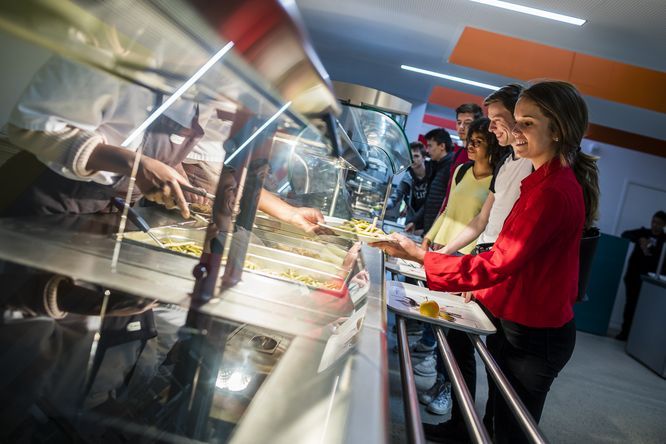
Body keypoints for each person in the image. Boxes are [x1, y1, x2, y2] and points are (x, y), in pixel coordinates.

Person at [373, 80, 600, 444]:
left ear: (557, 129)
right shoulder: (541, 180)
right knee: (496, 419)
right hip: (518, 320)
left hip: (536, 336)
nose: (514, 130)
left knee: (510, 429)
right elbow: (505, 258)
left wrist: (423, 257)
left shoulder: (554, 191)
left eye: (526, 122)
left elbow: (499, 261)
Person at [0, 56, 326, 233]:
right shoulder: (116, 43)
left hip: (105, 212)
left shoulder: (210, 82)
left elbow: (206, 171)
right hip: (42, 196)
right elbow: (31, 128)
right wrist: (135, 164)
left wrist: (287, 212)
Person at [424, 117, 501, 254]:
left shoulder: (498, 180)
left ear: (492, 145)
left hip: (466, 252)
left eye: (478, 142)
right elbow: (448, 209)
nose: (470, 146)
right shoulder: (462, 170)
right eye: (470, 140)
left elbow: (485, 222)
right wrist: (428, 238)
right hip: (441, 244)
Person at [616, 211, 666, 340]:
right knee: (630, 305)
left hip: (652, 281)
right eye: (654, 222)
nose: (655, 225)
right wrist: (640, 239)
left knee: (647, 310)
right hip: (634, 276)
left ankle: (640, 337)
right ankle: (625, 333)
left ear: (664, 225)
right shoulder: (643, 232)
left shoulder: (664, 240)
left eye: (659, 223)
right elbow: (625, 234)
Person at [406, 128, 454, 233]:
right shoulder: (436, 166)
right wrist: (415, 222)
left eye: (430, 146)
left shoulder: (452, 167)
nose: (427, 150)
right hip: (429, 230)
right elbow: (430, 201)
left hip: (438, 232)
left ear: (442, 146)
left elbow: (447, 204)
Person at [438, 103, 484, 213]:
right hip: (447, 213)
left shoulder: (479, 156)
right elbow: (449, 192)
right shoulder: (458, 153)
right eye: (459, 123)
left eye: (467, 123)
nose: (461, 127)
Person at [386, 142, 431, 225]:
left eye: (416, 156)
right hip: (412, 220)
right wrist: (384, 204)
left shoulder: (432, 173)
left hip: (429, 220)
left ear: (424, 158)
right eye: (410, 156)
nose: (413, 159)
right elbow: (396, 197)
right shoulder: (408, 176)